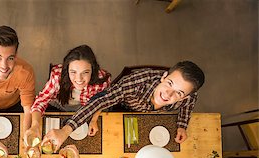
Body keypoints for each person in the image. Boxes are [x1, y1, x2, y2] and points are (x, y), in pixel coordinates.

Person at [42, 61, 205, 151]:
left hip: (142, 120)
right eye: (169, 83)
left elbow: (190, 101)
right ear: (163, 77)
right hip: (118, 107)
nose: (168, 95)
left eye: (179, 93)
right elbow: (100, 101)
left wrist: (182, 125)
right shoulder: (135, 83)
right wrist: (65, 130)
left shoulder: (189, 96)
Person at [24, 44, 111, 144]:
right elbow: (41, 101)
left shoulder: (102, 79)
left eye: (85, 72)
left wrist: (93, 120)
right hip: (60, 106)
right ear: (67, 70)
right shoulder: (57, 75)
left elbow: (101, 101)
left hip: (87, 110)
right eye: (73, 72)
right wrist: (35, 125)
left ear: (93, 70)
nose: (79, 79)